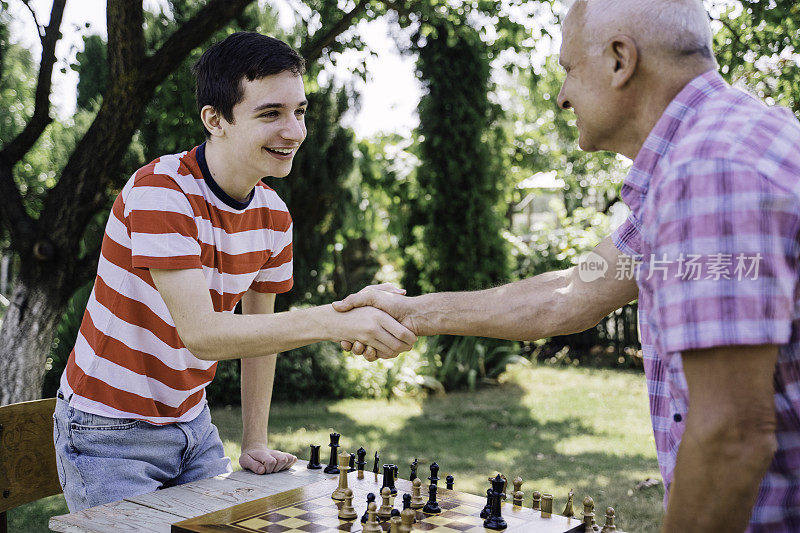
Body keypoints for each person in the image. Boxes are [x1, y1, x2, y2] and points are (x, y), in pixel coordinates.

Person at [333, 1, 800, 530]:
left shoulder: (709, 170)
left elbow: (732, 436)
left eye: (568, 70)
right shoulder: (725, 145)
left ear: (621, 60)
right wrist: (411, 313)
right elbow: (574, 290)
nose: (561, 97)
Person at [53, 32, 416, 512]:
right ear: (215, 119)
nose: (294, 131)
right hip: (107, 430)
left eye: (299, 111)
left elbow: (258, 336)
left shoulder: (274, 217)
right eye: (271, 114)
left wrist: (255, 441)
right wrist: (334, 320)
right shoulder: (161, 191)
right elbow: (203, 335)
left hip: (193, 425)